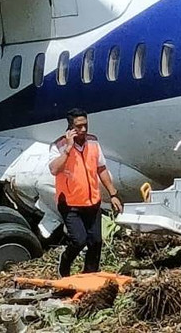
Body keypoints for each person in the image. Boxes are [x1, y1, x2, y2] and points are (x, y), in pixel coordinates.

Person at [49, 108, 123, 277]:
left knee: (96, 241)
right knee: (79, 240)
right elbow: (54, 169)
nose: (83, 130)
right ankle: (64, 266)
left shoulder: (93, 143)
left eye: (85, 125)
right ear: (70, 127)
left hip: (92, 202)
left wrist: (113, 194)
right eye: (78, 126)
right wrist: (68, 148)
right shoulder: (59, 146)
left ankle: (90, 274)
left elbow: (101, 169)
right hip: (70, 203)